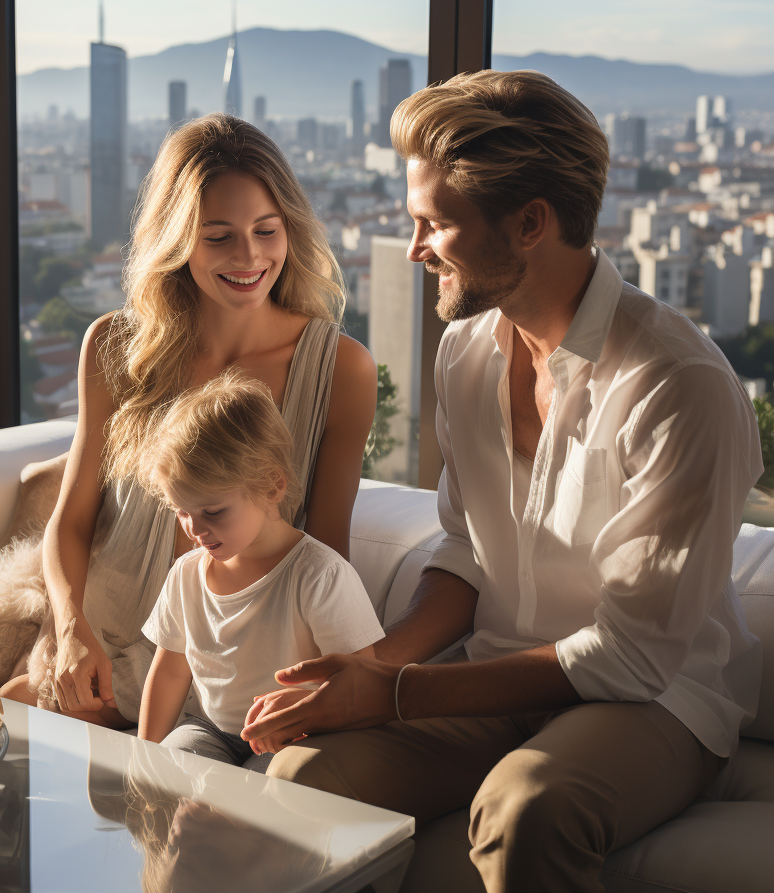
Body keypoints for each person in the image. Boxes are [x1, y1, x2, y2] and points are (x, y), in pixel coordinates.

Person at [241, 70, 763, 893]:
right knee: (305, 779)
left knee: (529, 807)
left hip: (654, 701)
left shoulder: (679, 386)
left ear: (529, 223)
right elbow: (466, 549)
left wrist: (399, 693)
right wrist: (374, 667)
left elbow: (629, 657)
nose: (413, 248)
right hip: (495, 673)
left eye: (433, 224)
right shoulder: (467, 352)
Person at [0, 114, 377, 728]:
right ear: (177, 240)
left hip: (232, 648)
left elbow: (327, 551)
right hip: (107, 628)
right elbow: (71, 520)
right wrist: (66, 629)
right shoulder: (115, 346)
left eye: (267, 230)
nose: (250, 256)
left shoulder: (343, 368)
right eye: (218, 237)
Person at [136, 372, 384, 769]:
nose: (195, 530)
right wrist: (142, 761)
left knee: (271, 791)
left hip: (294, 734)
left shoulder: (319, 576)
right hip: (211, 730)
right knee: (173, 772)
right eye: (182, 512)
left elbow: (362, 682)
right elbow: (168, 673)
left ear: (271, 486)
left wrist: (301, 707)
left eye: (212, 512)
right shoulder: (185, 575)